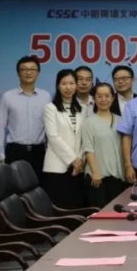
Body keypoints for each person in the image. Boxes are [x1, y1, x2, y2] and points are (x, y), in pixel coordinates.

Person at [0, 56, 50, 183]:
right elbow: (0, 126)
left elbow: (49, 126)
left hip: (39, 151)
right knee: (15, 189)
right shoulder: (7, 96)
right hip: (15, 151)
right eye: (24, 69)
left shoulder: (46, 96)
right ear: (18, 73)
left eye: (32, 69)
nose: (28, 72)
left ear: (38, 73)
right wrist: (1, 156)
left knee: (40, 188)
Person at [42, 69, 85, 209]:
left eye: (72, 83)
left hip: (78, 169)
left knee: (77, 207)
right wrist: (73, 159)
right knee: (60, 208)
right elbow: (53, 137)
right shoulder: (51, 108)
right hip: (57, 167)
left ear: (76, 85)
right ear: (58, 85)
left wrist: (79, 159)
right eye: (64, 83)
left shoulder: (83, 108)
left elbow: (85, 137)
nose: (68, 87)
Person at [81, 83, 125, 208]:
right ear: (94, 98)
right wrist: (95, 172)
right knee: (99, 212)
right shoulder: (89, 122)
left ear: (113, 98)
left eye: (107, 96)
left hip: (117, 175)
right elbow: (88, 149)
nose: (103, 99)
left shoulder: (121, 120)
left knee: (116, 213)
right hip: (97, 177)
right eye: (99, 96)